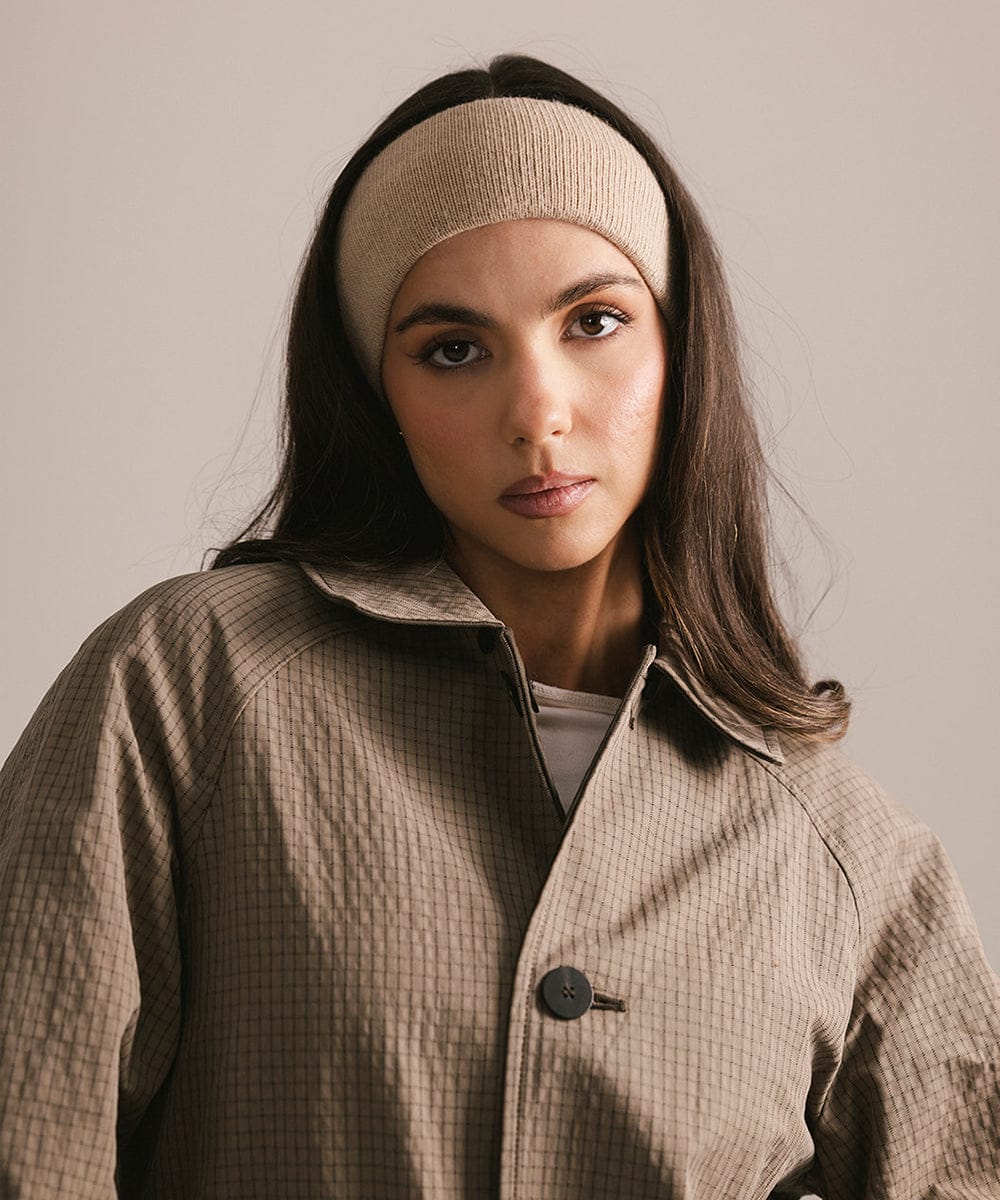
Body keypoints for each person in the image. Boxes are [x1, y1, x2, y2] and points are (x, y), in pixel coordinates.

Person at [0, 52, 997, 1200]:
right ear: (380, 392)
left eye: (595, 321)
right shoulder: (189, 692)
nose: (538, 413)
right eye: (453, 349)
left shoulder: (848, 859)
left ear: (682, 352)